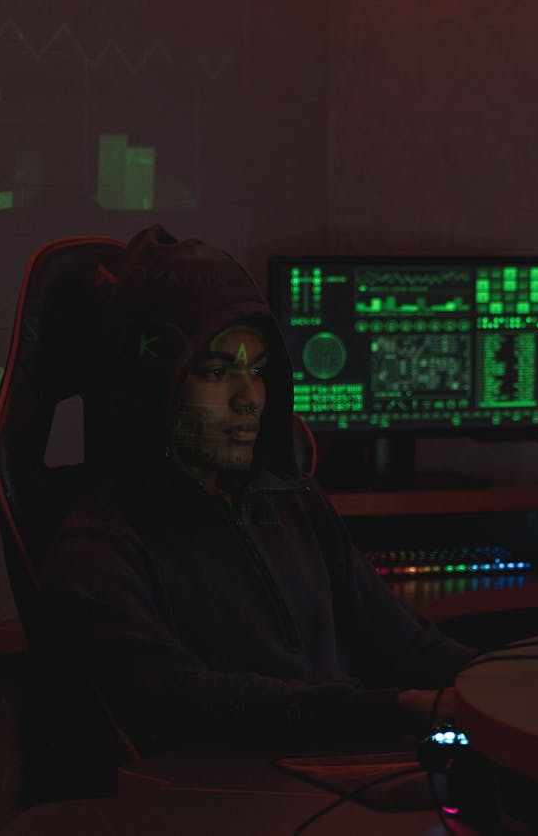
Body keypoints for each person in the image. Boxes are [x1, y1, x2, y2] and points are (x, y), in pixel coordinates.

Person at [41, 225, 477, 755]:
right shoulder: (100, 547)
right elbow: (176, 702)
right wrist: (396, 709)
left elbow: (405, 644)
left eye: (260, 371)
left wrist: (518, 681)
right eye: (215, 371)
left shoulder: (290, 499)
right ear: (155, 385)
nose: (250, 400)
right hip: (246, 798)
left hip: (348, 768)